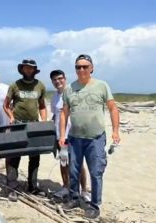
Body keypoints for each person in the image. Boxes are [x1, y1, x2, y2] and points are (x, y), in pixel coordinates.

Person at [59, 54, 120, 219]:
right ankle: (73, 198)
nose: (81, 69)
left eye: (85, 66)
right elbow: (64, 114)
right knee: (73, 171)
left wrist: (115, 131)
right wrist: (62, 135)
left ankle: (94, 204)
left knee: (95, 172)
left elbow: (113, 108)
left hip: (95, 138)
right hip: (74, 138)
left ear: (91, 68)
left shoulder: (102, 86)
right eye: (78, 67)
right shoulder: (69, 89)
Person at [3, 59, 47, 202]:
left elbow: (42, 106)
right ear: (22, 69)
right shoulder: (15, 85)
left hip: (34, 124)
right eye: (26, 68)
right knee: (15, 156)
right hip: (18, 124)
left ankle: (32, 186)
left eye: (31, 68)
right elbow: (6, 105)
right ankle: (13, 188)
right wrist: (10, 117)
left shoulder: (40, 86)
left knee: (35, 157)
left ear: (34, 70)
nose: (28, 70)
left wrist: (44, 122)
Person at [49, 70, 91, 202]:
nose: (58, 82)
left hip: (74, 135)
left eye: (60, 78)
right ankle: (66, 187)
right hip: (60, 136)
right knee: (63, 162)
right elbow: (55, 115)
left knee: (78, 164)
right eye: (55, 80)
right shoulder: (54, 97)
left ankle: (83, 190)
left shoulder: (74, 93)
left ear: (65, 79)